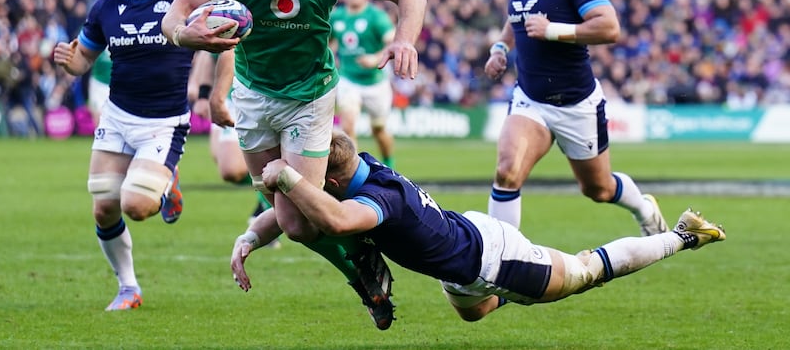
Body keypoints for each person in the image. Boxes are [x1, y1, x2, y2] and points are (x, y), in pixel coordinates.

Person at [160, 0, 426, 329]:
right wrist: (187, 36)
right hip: (253, 96)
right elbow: (175, 15)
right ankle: (360, 252)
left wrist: (404, 39)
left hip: (310, 96)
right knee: (293, 220)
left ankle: (365, 253)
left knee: (298, 219)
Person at [232, 131, 726, 325]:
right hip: (463, 248)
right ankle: (499, 290)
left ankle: (681, 235)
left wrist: (287, 175)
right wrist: (252, 236)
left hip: (491, 256)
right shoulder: (361, 168)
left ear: (333, 180)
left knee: (582, 272)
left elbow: (334, 217)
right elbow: (303, 210)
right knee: (476, 312)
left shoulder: (377, 200)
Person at [484, 0, 667, 236]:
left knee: (598, 189)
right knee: (506, 172)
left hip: (576, 103)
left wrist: (553, 30)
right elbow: (515, 20)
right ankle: (500, 265)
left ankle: (644, 208)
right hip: (531, 100)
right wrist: (500, 48)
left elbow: (610, 27)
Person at [53, 0, 194, 311]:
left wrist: (213, 92)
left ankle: (166, 181)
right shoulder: (108, 6)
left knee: (137, 206)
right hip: (117, 117)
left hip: (163, 123)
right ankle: (128, 287)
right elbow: (84, 59)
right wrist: (69, 62)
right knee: (103, 205)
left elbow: (220, 39)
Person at [188, 50, 279, 246]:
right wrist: (203, 94)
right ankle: (267, 198)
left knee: (231, 169)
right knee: (225, 165)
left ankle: (268, 208)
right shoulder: (230, 19)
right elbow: (210, 52)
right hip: (229, 95)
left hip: (258, 96)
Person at [330, 0, 396, 167]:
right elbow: (329, 43)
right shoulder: (336, 17)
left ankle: (390, 164)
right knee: (348, 125)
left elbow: (393, 41)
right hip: (348, 79)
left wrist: (375, 58)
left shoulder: (376, 16)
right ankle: (355, 170)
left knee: (379, 130)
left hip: (375, 82)